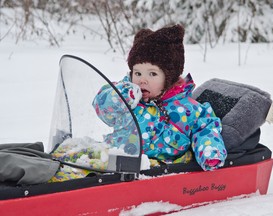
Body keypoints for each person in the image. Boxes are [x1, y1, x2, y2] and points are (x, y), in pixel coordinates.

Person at [93, 24, 227, 171]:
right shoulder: (127, 98)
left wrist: (209, 152)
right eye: (137, 73)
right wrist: (121, 96)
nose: (142, 80)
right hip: (117, 163)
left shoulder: (187, 109)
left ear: (169, 78)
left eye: (152, 74)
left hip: (160, 169)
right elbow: (102, 106)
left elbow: (205, 128)